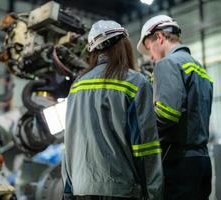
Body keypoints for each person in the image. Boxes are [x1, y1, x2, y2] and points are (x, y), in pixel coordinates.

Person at [62, 20, 163, 200]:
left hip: (81, 189)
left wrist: (68, 191)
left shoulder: (77, 86)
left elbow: (69, 144)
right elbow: (145, 147)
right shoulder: (135, 82)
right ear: (124, 45)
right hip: (121, 190)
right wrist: (154, 193)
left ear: (93, 51)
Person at [137, 15, 213, 200]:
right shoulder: (198, 67)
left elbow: (167, 114)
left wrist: (138, 125)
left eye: (149, 49)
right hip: (202, 160)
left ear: (160, 38)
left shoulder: (167, 63)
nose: (151, 57)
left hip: (180, 164)